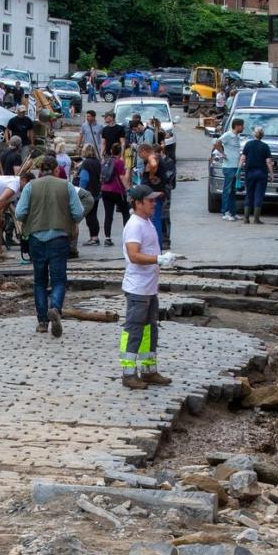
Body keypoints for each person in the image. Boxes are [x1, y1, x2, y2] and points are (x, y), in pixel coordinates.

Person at [15, 155, 83, 337]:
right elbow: (78, 213)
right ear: (56, 170)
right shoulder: (66, 186)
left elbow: (19, 212)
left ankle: (43, 322)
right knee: (59, 279)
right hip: (60, 237)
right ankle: (55, 307)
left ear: (39, 170)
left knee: (39, 281)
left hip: (36, 238)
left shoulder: (30, 186)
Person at [119, 184, 174, 390]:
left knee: (150, 330)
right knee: (133, 331)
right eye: (150, 200)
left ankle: (149, 370)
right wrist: (159, 259)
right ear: (137, 203)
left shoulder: (147, 222)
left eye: (154, 199)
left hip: (149, 287)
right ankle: (128, 373)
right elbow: (134, 256)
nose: (154, 203)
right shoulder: (135, 225)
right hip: (138, 288)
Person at [239, 126, 274, 225]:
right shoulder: (265, 146)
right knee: (259, 195)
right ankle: (256, 219)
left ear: (254, 134)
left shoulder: (248, 144)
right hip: (261, 173)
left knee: (249, 194)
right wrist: (271, 174)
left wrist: (238, 171)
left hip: (249, 173)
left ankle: (246, 219)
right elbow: (268, 162)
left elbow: (242, 159)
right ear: (262, 135)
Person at [136, 144, 169, 250]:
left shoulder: (152, 157)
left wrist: (150, 176)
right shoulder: (156, 157)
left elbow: (153, 164)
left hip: (154, 193)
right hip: (154, 192)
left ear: (144, 151)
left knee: (155, 219)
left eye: (141, 155)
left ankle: (156, 247)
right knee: (153, 218)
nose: (141, 157)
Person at [213, 118, 244, 221]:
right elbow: (217, 143)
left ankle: (232, 212)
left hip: (235, 166)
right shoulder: (228, 135)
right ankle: (225, 212)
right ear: (237, 126)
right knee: (227, 190)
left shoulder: (236, 136)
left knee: (233, 191)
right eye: (242, 125)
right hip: (229, 166)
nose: (243, 127)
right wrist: (222, 153)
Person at [100, 143, 131, 244]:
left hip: (105, 189)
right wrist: (129, 189)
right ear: (120, 152)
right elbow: (122, 178)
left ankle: (107, 237)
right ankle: (128, 236)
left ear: (111, 151)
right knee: (125, 211)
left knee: (108, 214)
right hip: (117, 190)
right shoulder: (119, 162)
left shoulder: (106, 161)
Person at [77, 144, 103, 246]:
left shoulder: (86, 163)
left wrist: (80, 190)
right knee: (94, 215)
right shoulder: (97, 162)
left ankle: (94, 238)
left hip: (88, 192)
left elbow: (84, 178)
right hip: (96, 191)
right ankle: (95, 236)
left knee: (89, 216)